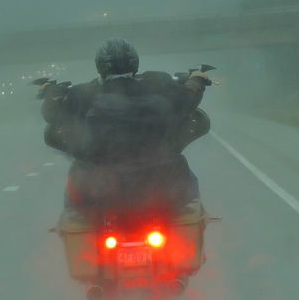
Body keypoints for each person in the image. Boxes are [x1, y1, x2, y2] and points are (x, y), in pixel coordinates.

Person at [39, 38, 212, 224]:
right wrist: (196, 80)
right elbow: (187, 99)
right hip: (162, 184)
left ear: (100, 66)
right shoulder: (158, 84)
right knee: (187, 188)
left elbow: (53, 115)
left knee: (75, 194)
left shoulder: (82, 94)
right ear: (134, 62)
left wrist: (52, 93)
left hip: (99, 189)